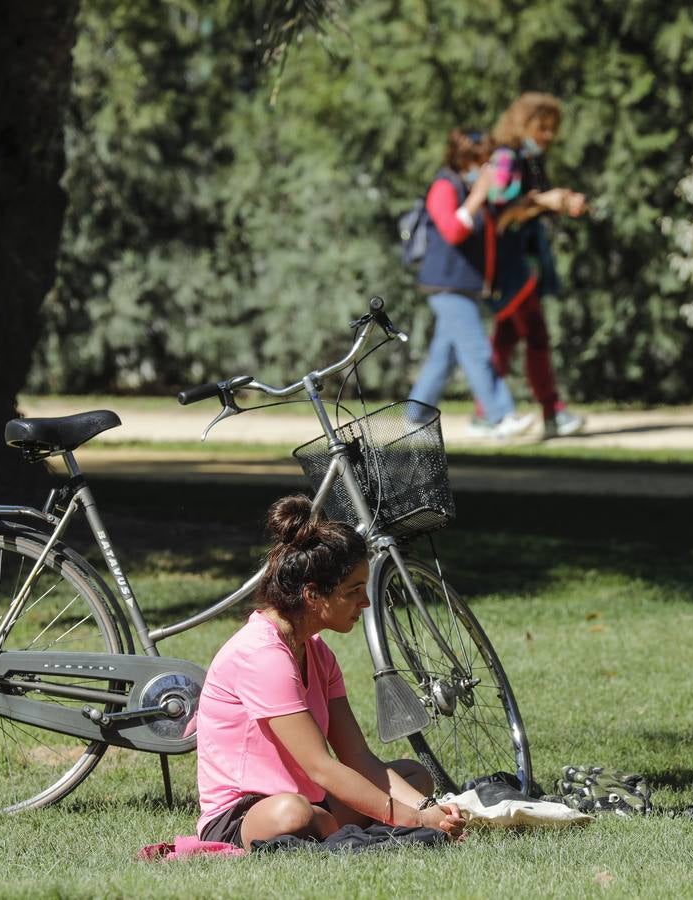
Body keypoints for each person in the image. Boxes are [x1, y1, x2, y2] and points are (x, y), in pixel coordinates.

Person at [193, 495, 466, 848]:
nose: (365, 603)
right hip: (247, 814)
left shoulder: (318, 653)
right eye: (353, 591)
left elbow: (357, 757)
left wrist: (430, 810)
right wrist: (413, 818)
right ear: (312, 595)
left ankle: (330, 827)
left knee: (414, 776)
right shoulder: (262, 655)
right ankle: (333, 827)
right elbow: (321, 766)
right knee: (294, 814)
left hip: (312, 799)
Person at [409, 128, 534, 440]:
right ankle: (500, 416)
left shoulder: (471, 189)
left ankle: (416, 417)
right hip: (446, 286)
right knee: (477, 350)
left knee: (445, 355)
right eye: (484, 160)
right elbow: (452, 231)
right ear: (467, 159)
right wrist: (479, 195)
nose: (489, 167)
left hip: (464, 285)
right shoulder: (444, 185)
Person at [484, 92, 588, 440]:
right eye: (542, 128)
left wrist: (559, 201)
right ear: (523, 124)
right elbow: (499, 205)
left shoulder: (531, 159)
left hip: (525, 261)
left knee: (508, 337)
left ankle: (486, 412)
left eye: (551, 129)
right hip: (511, 263)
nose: (548, 136)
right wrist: (545, 200)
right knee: (536, 334)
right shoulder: (506, 157)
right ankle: (552, 411)